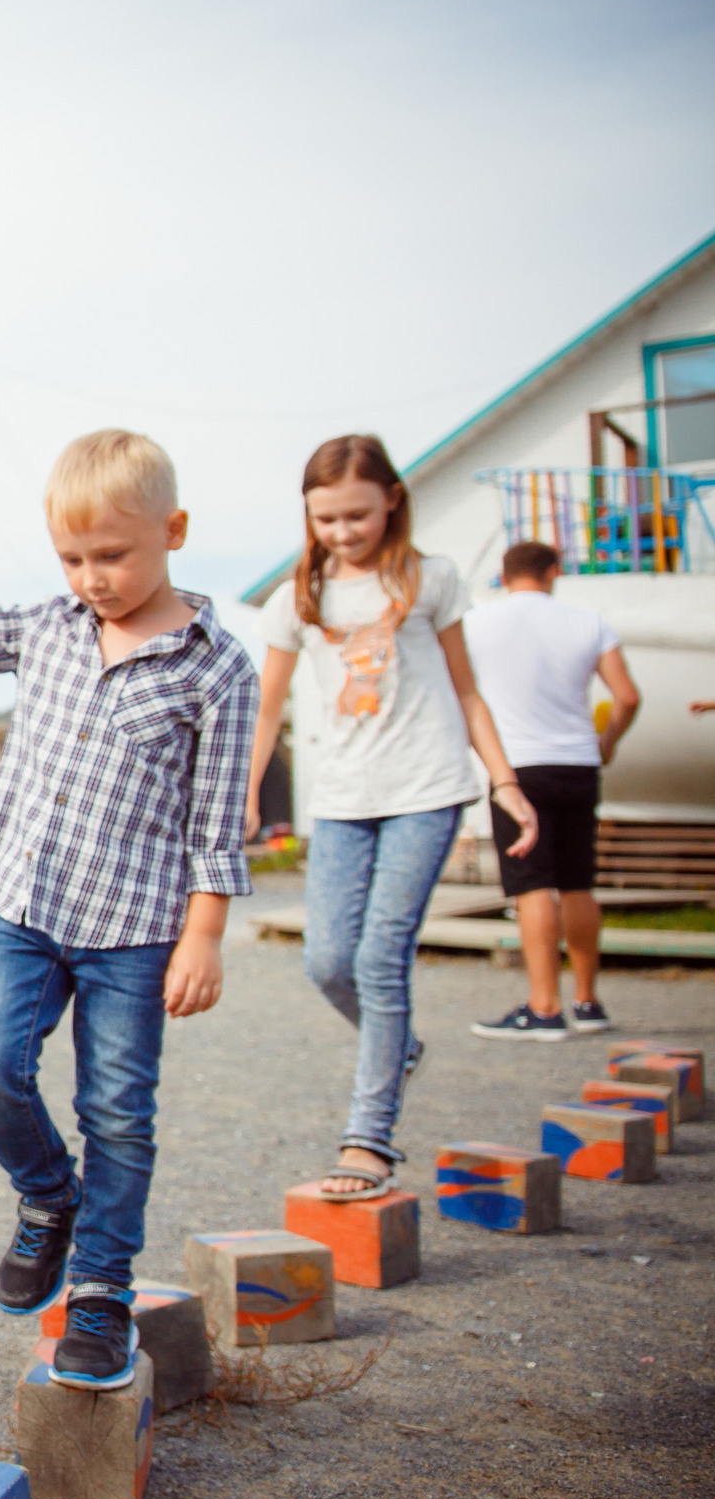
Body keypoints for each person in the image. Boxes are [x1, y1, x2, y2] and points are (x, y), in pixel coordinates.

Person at [0, 431, 255, 1391]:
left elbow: (219, 817)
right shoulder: (49, 625)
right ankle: (49, 1197)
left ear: (172, 531)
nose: (93, 578)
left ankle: (101, 1291)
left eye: (114, 555)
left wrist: (206, 933)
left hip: (135, 927)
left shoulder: (216, 668)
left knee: (119, 1113)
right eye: (73, 558)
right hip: (23, 901)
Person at [246, 434, 538, 1199]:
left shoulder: (430, 579)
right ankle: (397, 1045)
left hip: (428, 787)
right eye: (327, 519)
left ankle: (368, 1141)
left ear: (392, 501)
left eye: (357, 515)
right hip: (341, 798)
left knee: (380, 958)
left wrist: (504, 782)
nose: (343, 532)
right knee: (327, 962)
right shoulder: (298, 597)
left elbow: (468, 690)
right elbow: (269, 705)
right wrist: (245, 792)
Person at [461, 540, 641, 1038]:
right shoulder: (589, 621)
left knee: (532, 884)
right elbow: (626, 696)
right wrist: (606, 742)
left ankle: (543, 1009)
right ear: (553, 571)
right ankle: (587, 1003)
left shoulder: (477, 624)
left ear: (504, 574)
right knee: (577, 882)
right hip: (579, 763)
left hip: (516, 769)